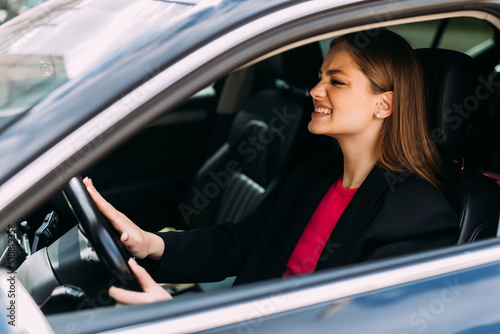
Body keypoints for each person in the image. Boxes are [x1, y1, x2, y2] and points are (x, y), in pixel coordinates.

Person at [83, 29, 459, 305]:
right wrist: (151, 242)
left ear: (384, 105)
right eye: (319, 77)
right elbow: (239, 245)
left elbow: (356, 324)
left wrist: (176, 321)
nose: (315, 90)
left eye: (337, 81)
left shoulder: (419, 216)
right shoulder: (312, 178)